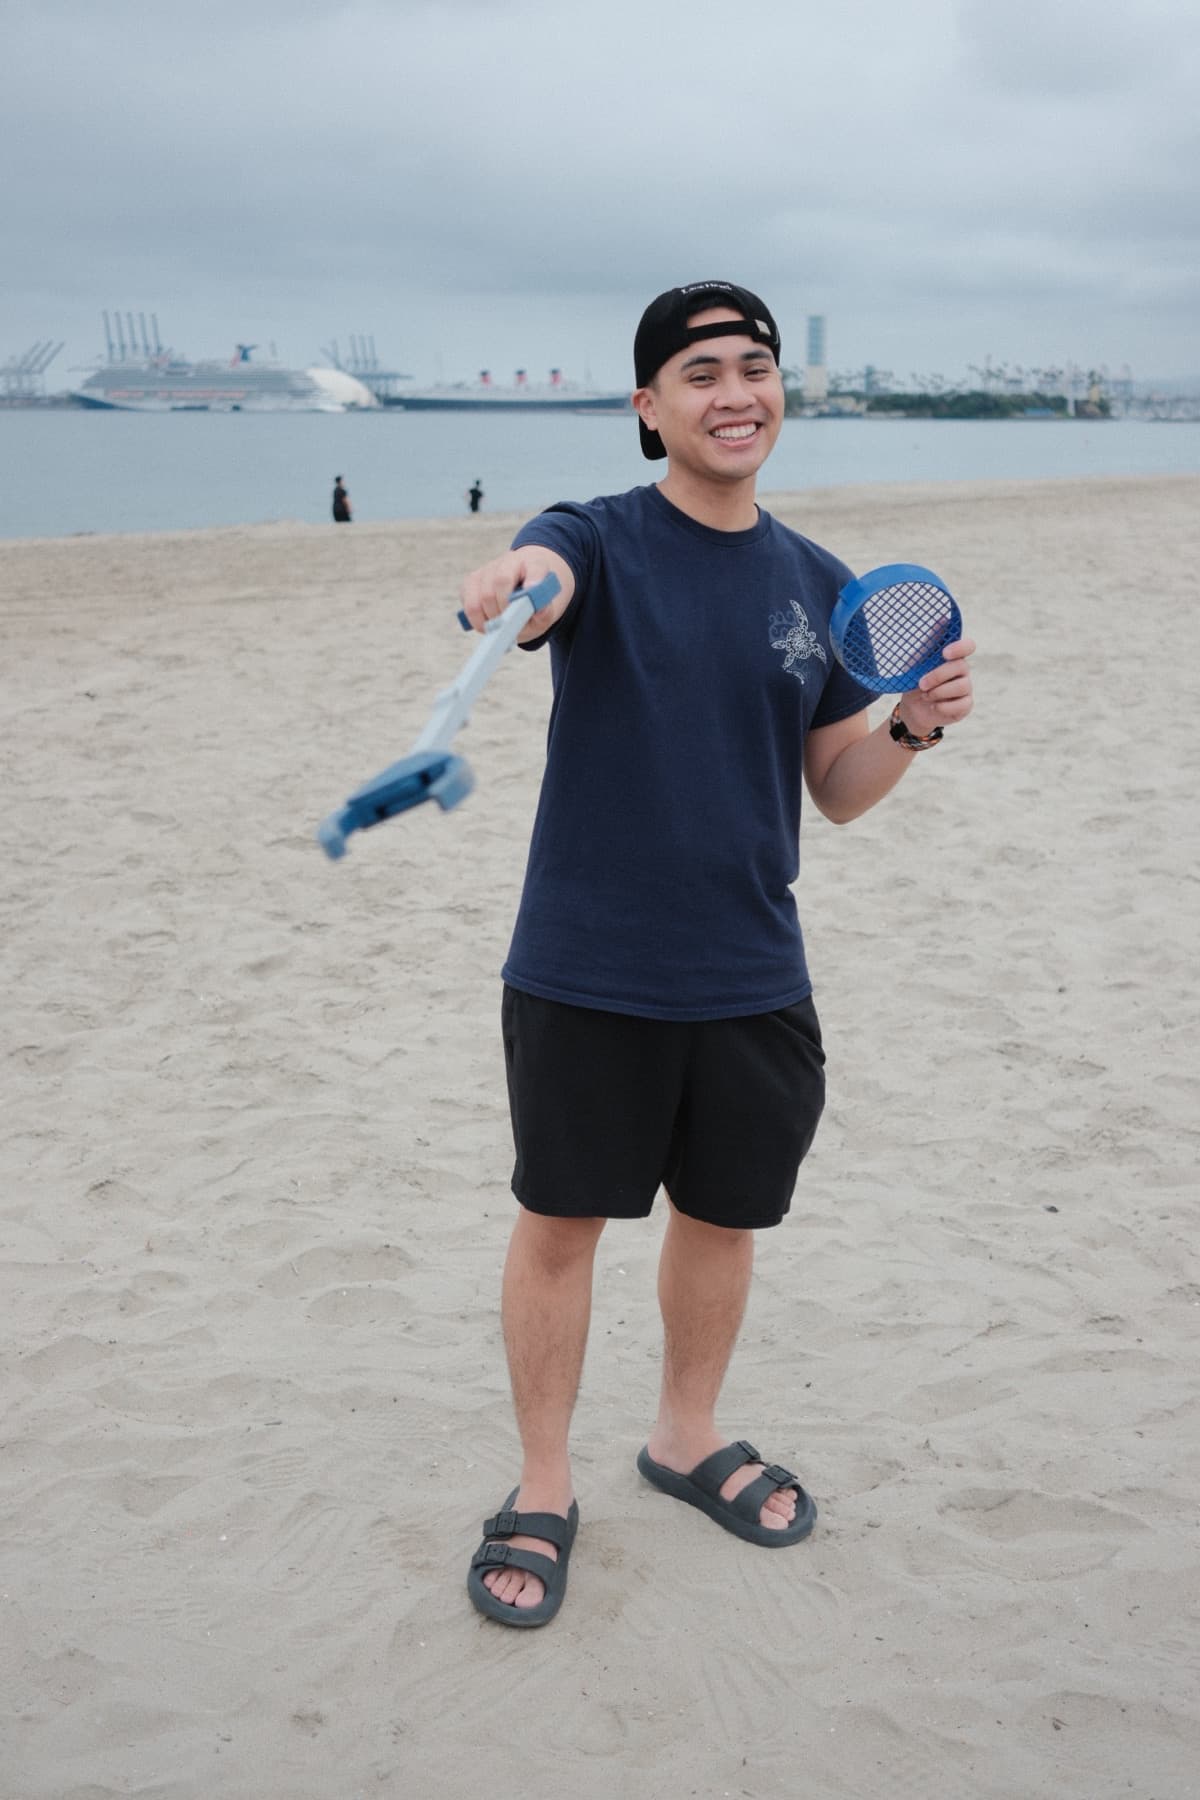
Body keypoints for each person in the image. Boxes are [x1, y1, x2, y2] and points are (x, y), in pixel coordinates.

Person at [458, 280, 975, 1628]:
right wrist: (515, 583)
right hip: (587, 965)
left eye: (756, 366)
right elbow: (542, 575)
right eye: (701, 373)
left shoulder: (818, 583)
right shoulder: (599, 537)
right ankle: (544, 1480)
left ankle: (684, 1436)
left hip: (752, 970)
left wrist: (912, 726)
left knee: (725, 1218)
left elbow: (836, 790)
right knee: (561, 1224)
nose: (735, 392)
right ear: (649, 406)